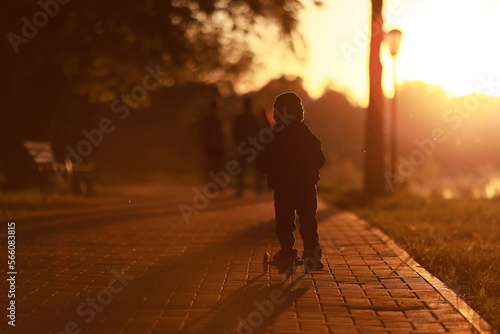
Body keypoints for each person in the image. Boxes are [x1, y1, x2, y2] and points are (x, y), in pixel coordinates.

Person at [256, 92, 326, 270]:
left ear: (278, 113)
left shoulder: (275, 135)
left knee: (284, 220)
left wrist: (272, 168)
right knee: (308, 218)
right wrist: (310, 170)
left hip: (284, 185)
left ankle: (287, 251)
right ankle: (311, 251)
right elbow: (320, 158)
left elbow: (262, 162)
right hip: (306, 185)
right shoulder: (306, 133)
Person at [233, 97, 262, 196]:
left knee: (241, 169)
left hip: (243, 146)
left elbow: (235, 132)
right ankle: (259, 189)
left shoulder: (240, 118)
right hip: (252, 146)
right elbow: (259, 132)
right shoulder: (254, 118)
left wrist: (237, 144)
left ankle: (240, 190)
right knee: (255, 169)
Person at [201, 99, 225, 180]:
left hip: (212, 146)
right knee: (215, 166)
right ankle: (214, 183)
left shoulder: (209, 118)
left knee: (213, 165)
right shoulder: (216, 118)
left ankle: (212, 183)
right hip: (215, 146)